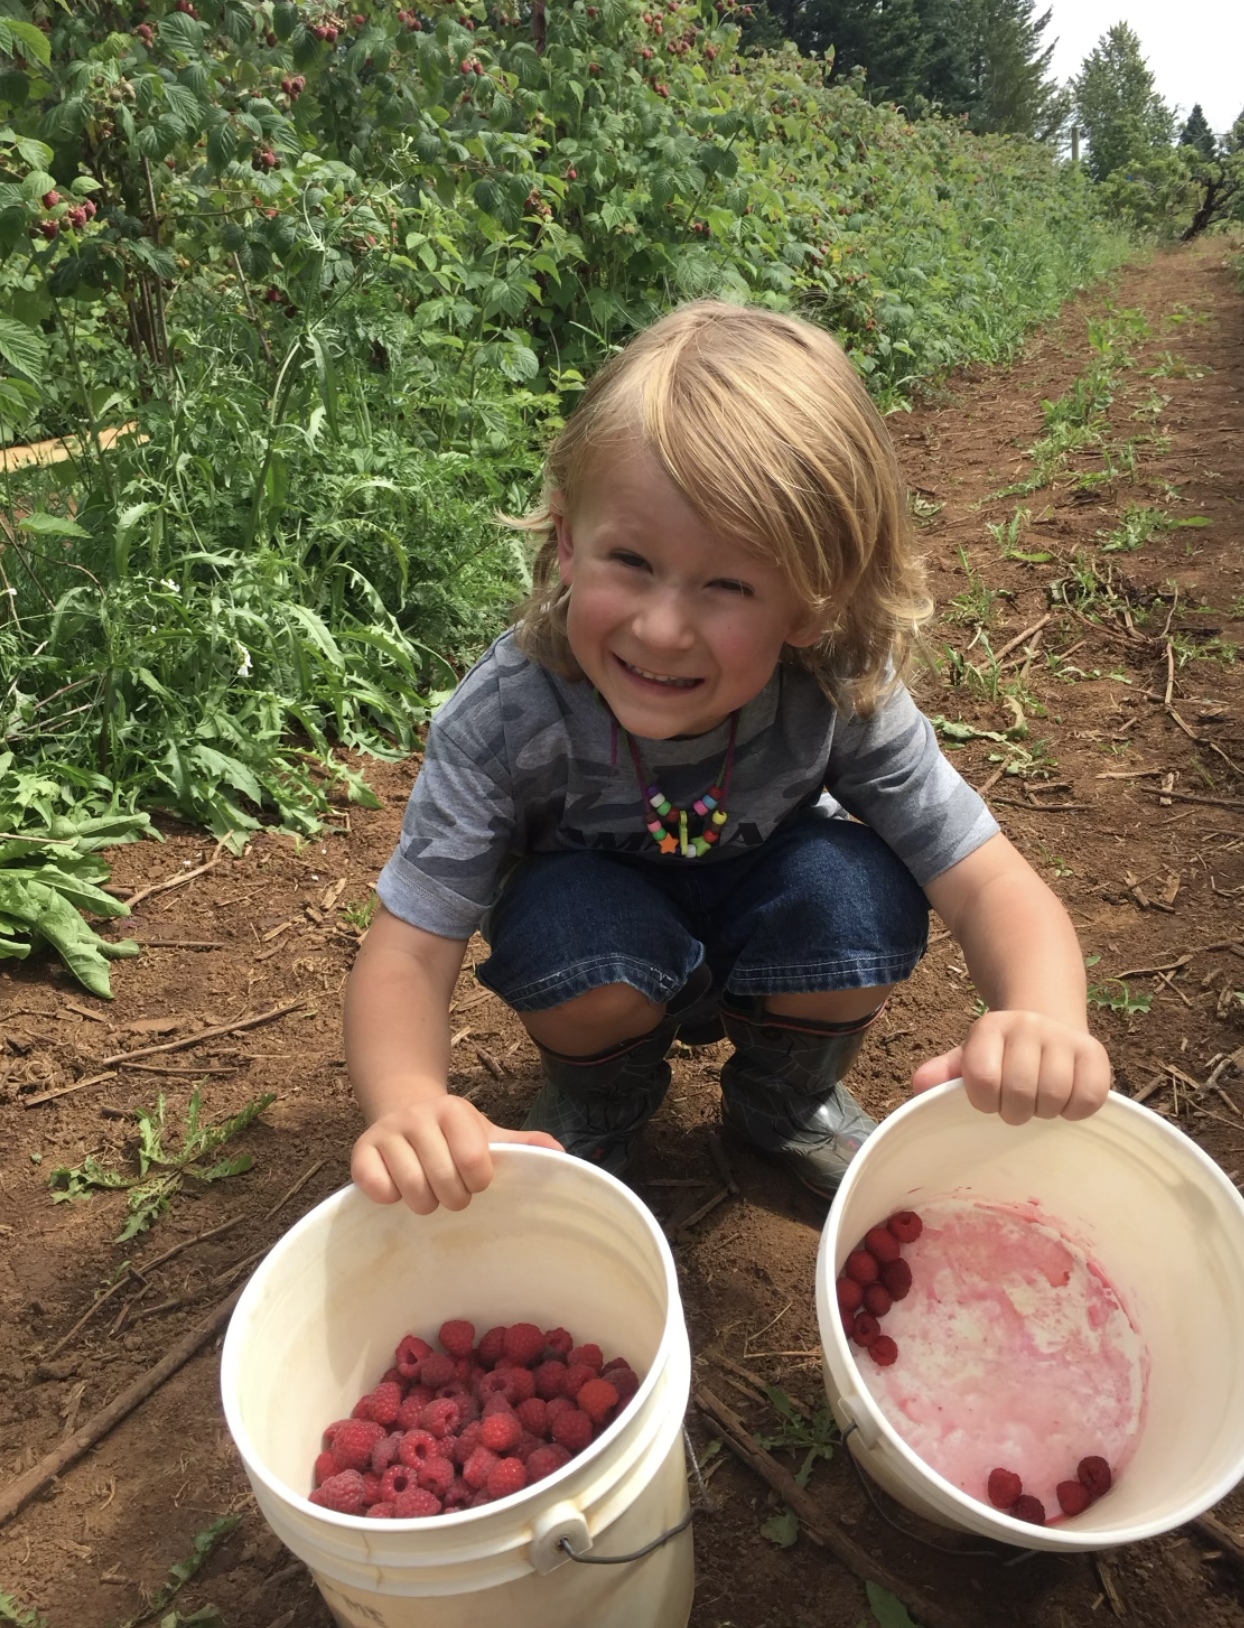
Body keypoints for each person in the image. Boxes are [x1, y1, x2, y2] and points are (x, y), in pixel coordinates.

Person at [346, 300, 1111, 1216]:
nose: (662, 628)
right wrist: (407, 1104)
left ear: (811, 606)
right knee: (561, 923)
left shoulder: (837, 685)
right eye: (629, 558)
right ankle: (604, 1097)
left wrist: (1045, 1014)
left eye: (728, 585)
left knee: (856, 893)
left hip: (773, 911)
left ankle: (784, 1101)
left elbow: (987, 882)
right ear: (565, 545)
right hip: (603, 934)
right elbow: (407, 953)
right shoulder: (508, 714)